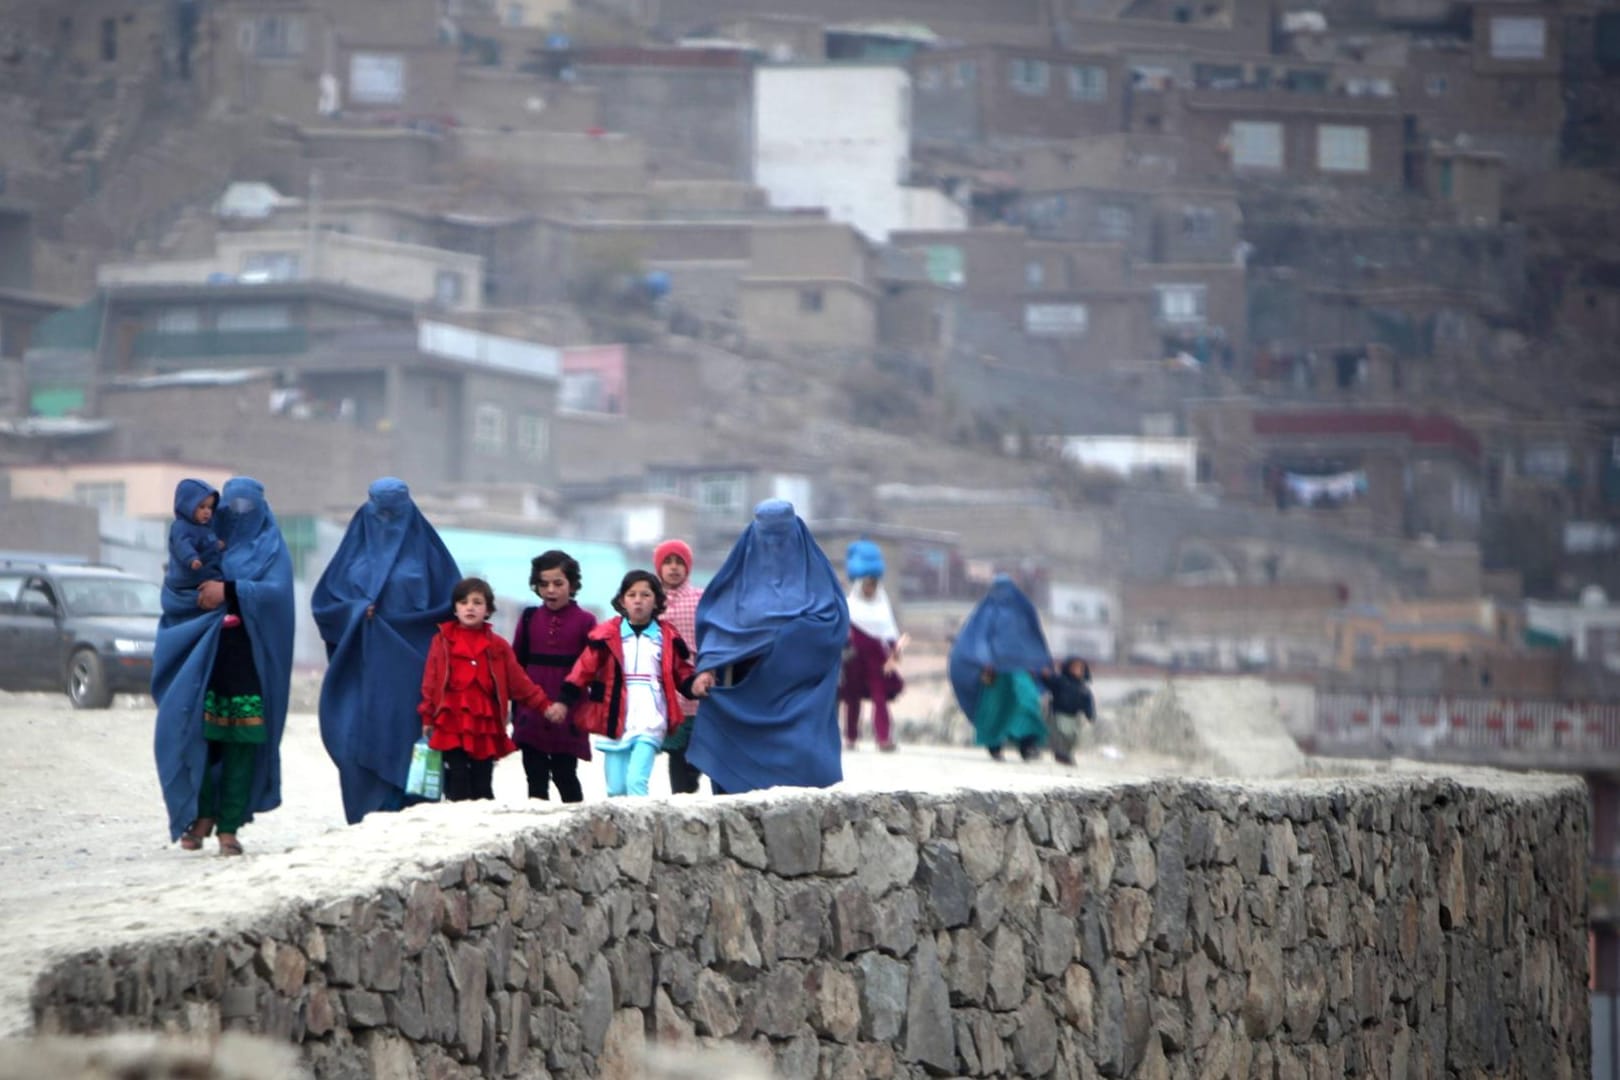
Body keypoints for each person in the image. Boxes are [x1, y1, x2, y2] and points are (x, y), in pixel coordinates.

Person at [152, 477, 296, 856]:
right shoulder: (203, 538)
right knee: (199, 736)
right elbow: (176, 589)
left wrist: (229, 591)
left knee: (242, 744)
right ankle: (200, 816)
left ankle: (229, 826)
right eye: (229, 508)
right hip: (204, 655)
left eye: (247, 507)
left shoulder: (271, 547)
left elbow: (278, 593)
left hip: (249, 659)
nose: (238, 515)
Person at [312, 478, 461, 824]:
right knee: (354, 743)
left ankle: (408, 817)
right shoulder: (353, 552)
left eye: (395, 512)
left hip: (415, 670)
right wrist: (354, 612)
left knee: (409, 743)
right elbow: (325, 606)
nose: (387, 521)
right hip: (362, 668)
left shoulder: (427, 553)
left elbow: (453, 607)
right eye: (381, 512)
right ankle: (367, 814)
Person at [687, 500, 849, 795]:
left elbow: (833, 626)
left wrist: (791, 638)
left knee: (804, 765)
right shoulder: (736, 580)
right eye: (767, 537)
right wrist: (707, 668)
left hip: (799, 698)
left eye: (781, 537)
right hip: (742, 695)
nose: (774, 546)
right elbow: (716, 622)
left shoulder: (816, 579)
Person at [559, 570, 709, 797]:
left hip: (650, 716)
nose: (638, 600)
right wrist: (564, 700)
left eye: (645, 595)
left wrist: (694, 686)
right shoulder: (606, 636)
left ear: (658, 601)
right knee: (615, 789)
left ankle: (643, 832)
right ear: (622, 601)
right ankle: (621, 832)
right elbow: (584, 668)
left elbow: (681, 671)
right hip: (614, 716)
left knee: (636, 782)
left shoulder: (666, 637)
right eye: (632, 595)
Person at [418, 577, 558, 802]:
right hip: (451, 721)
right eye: (463, 602)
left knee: (483, 783)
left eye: (477, 602)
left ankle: (483, 825)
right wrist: (427, 715)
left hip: (485, 724)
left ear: (488, 610)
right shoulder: (442, 640)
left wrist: (544, 705)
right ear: (455, 609)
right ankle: (460, 826)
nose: (470, 607)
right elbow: (431, 680)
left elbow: (519, 681)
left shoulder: (497, 645)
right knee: (457, 779)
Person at [511, 550, 597, 803]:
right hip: (531, 709)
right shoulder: (529, 618)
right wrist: (516, 706)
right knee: (534, 777)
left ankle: (579, 830)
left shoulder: (586, 621)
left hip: (569, 711)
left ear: (572, 585)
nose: (551, 590)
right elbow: (516, 665)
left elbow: (590, 668)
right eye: (544, 584)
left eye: (558, 583)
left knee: (565, 774)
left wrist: (565, 702)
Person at [948, 574, 1053, 762]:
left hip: (1020, 670)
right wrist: (985, 661)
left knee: (1027, 703)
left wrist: (1036, 665)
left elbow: (1031, 640)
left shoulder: (1022, 612)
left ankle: (1027, 744)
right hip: (995, 672)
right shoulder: (986, 613)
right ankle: (994, 745)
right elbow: (977, 640)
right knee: (995, 709)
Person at [840, 539, 905, 753]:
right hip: (853, 660)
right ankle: (850, 736)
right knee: (852, 699)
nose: (870, 589)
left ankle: (883, 737)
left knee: (880, 698)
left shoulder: (881, 606)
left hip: (877, 660)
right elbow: (842, 633)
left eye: (873, 585)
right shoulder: (850, 606)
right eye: (867, 585)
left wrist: (896, 653)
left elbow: (890, 634)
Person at [655, 538, 705, 793]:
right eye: (667, 562)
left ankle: (690, 790)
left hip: (696, 684)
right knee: (675, 750)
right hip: (665, 687)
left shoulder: (700, 599)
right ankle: (680, 796)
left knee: (695, 747)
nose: (673, 568)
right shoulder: (650, 600)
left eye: (679, 562)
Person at [166, 478, 223, 591]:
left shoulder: (206, 528)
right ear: (187, 506)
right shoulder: (181, 527)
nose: (207, 511)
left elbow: (208, 543)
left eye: (210, 507)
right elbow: (182, 544)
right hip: (191, 577)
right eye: (202, 507)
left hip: (209, 575)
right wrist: (192, 559)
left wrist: (217, 545)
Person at [1040, 656, 1095, 766]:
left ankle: (1067, 753)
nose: (1077, 671)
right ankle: (1061, 754)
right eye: (1074, 667)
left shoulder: (1083, 688)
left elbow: (1088, 702)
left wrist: (1090, 714)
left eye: (1080, 669)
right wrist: (1045, 677)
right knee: (1061, 734)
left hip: (1074, 716)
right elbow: (1050, 683)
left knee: (1072, 737)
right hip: (1059, 713)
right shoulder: (1061, 681)